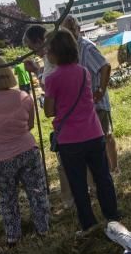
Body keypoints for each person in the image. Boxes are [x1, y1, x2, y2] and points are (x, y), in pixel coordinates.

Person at [42, 29, 120, 235]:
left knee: (78, 184)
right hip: (93, 132)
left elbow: (49, 111)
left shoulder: (51, 79)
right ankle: (113, 216)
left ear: (54, 52)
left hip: (70, 139)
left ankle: (89, 224)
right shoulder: (83, 71)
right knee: (103, 177)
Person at [0, 57, 51, 246]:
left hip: (0, 157)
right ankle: (43, 228)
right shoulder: (23, 97)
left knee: (7, 199)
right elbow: (30, 125)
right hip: (27, 151)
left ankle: (13, 236)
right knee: (37, 192)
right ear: (8, 73)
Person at [25, 24, 77, 209]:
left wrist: (36, 72)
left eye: (33, 47)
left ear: (41, 41)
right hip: (69, 116)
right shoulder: (54, 61)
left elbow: (51, 89)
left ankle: (70, 199)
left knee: (66, 161)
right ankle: (78, 194)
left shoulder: (53, 61)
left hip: (65, 116)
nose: (35, 52)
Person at [61, 15, 119, 173]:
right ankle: (105, 169)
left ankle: (114, 168)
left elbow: (105, 67)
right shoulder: (71, 50)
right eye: (67, 30)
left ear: (78, 29)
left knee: (106, 135)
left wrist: (100, 90)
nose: (71, 32)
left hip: (97, 101)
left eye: (73, 29)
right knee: (96, 139)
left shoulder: (86, 47)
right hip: (86, 105)